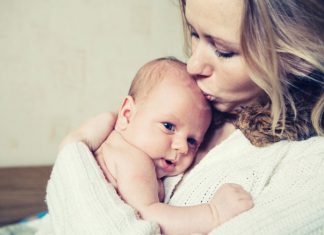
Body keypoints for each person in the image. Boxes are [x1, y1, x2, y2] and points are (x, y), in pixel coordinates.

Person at [40, 0, 324, 234]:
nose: (193, 64)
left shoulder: (309, 168)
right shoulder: (190, 110)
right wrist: (74, 154)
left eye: (223, 51)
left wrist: (73, 151)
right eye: (194, 34)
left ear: (296, 55)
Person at [93, 57, 253, 234]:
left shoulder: (113, 146)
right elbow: (148, 216)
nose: (182, 148)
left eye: (192, 141)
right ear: (127, 115)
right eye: (169, 127)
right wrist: (214, 213)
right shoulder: (133, 159)